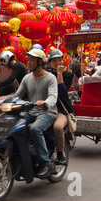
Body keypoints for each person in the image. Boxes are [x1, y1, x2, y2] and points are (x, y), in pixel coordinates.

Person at [13, 48, 58, 178]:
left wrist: (44, 102)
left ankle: (46, 163)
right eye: (28, 59)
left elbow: (53, 97)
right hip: (31, 111)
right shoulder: (27, 78)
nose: (28, 62)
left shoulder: (50, 78)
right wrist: (3, 103)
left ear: (40, 62)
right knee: (14, 124)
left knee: (35, 128)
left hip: (47, 112)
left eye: (31, 59)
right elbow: (17, 96)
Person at [47, 49, 74, 165]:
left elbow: (62, 92)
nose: (57, 63)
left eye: (59, 60)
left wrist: (59, 74)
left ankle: (60, 154)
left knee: (57, 127)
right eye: (54, 61)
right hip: (47, 107)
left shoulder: (68, 75)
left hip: (61, 109)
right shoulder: (46, 75)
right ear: (50, 63)